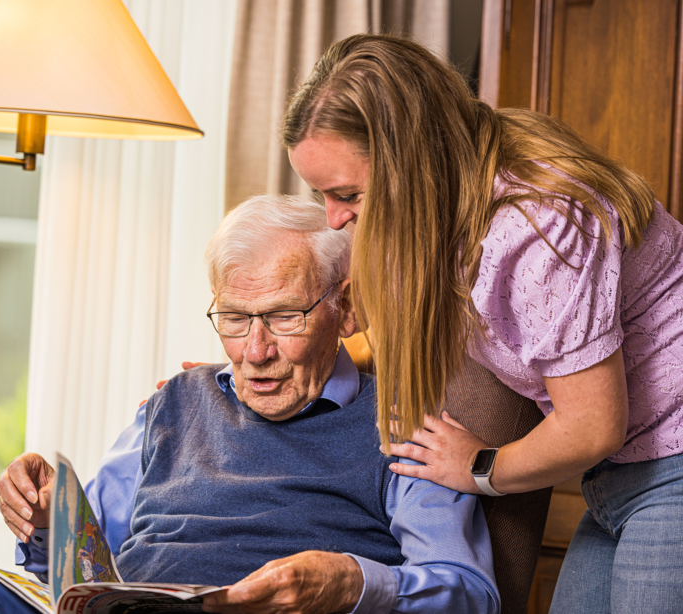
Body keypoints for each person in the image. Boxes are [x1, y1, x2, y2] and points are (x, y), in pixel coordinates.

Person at [0, 195, 499, 614]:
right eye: (234, 319)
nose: (255, 351)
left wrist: (353, 585)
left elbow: (471, 594)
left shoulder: (403, 429)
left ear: (343, 307)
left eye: (285, 317)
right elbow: (76, 574)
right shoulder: (173, 404)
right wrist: (45, 521)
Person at [282, 33, 683, 614]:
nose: (336, 217)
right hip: (616, 481)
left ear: (412, 162)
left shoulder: (536, 225)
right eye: (322, 195)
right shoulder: (451, 194)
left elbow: (592, 427)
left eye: (347, 193)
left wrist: (477, 467)